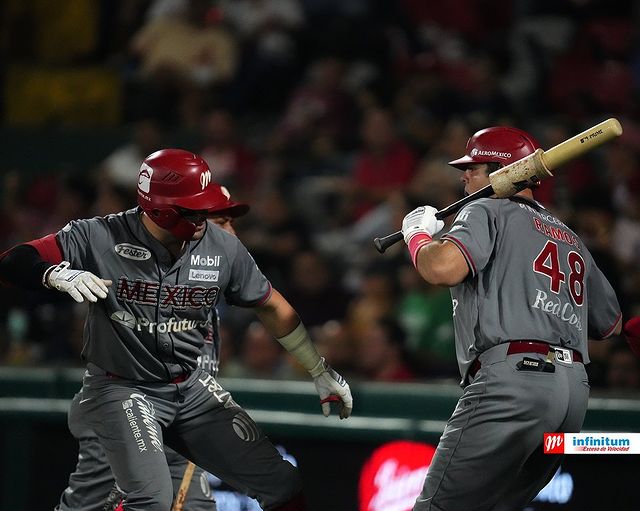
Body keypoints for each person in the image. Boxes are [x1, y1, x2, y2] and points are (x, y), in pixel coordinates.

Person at [0, 149, 352, 511]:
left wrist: (318, 369)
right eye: (193, 208)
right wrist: (51, 272)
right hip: (121, 388)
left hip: (190, 387)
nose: (204, 216)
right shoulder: (100, 235)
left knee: (282, 483)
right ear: (158, 207)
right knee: (148, 499)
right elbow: (14, 260)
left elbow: (272, 306)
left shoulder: (223, 247)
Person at [399, 126, 622, 510]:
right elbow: (610, 324)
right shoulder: (569, 236)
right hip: (573, 397)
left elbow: (441, 269)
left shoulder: (486, 208)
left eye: (474, 166)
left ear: (502, 171)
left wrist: (417, 236)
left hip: (514, 381)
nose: (464, 176)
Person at [55, 183, 247, 511]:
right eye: (220, 223)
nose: (230, 232)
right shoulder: (157, 277)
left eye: (231, 222)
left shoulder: (210, 281)